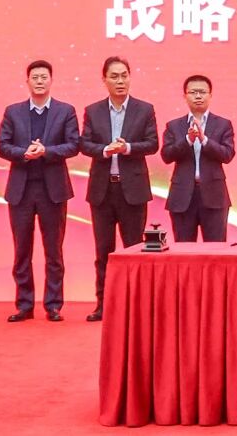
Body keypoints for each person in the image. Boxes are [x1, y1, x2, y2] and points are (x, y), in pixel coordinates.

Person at [0, 60, 80, 322]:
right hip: (21, 190)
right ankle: (24, 304)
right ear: (27, 81)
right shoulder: (13, 111)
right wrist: (24, 153)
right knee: (22, 250)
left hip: (52, 190)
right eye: (35, 77)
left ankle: (53, 305)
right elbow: (2, 146)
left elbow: (73, 145)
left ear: (51, 80)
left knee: (54, 251)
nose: (40, 81)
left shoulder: (65, 111)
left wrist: (46, 151)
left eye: (44, 77)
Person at [80, 56, 158, 322]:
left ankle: (136, 306)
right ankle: (104, 304)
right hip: (102, 190)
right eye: (114, 76)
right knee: (103, 251)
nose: (120, 81)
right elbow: (84, 144)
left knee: (134, 251)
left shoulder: (144, 109)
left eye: (124, 75)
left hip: (133, 191)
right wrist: (105, 150)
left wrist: (127, 148)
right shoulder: (93, 111)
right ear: (104, 80)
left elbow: (152, 143)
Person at [159, 74, 235, 242]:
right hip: (182, 196)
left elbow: (227, 154)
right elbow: (166, 155)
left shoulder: (223, 124)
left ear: (210, 95)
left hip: (214, 196)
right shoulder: (174, 126)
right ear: (185, 96)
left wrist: (204, 139)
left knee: (215, 250)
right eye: (193, 92)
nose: (198, 96)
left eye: (202, 92)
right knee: (183, 250)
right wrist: (188, 140)